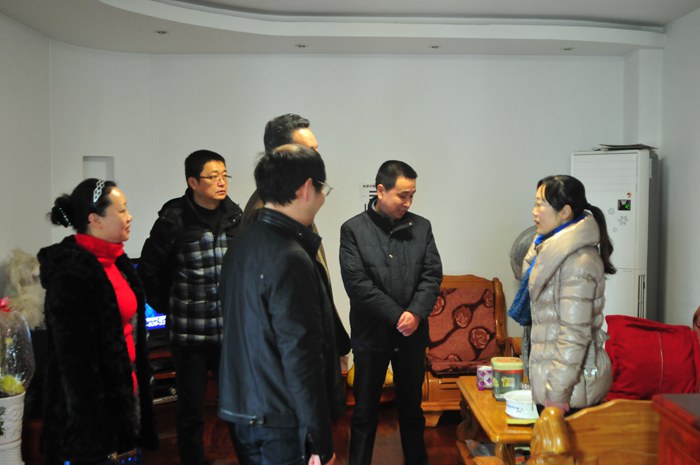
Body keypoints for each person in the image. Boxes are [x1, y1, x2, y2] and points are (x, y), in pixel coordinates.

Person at [218, 144, 344, 465]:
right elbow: (301, 355)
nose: (322, 198)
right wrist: (320, 441)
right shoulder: (290, 255)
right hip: (281, 419)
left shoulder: (242, 244)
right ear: (306, 188)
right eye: (322, 189)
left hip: (244, 408)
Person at [37, 178, 157, 465]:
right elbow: (75, 365)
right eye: (121, 210)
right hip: (93, 425)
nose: (129, 217)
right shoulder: (71, 272)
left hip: (126, 405)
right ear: (95, 220)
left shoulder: (119, 262)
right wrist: (97, 434)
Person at [138, 150, 242, 465]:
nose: (222, 182)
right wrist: (170, 306)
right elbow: (148, 271)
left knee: (238, 406)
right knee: (190, 410)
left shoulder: (236, 217)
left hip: (229, 334)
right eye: (213, 177)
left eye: (224, 175)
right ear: (193, 182)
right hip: (188, 336)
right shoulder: (173, 221)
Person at [339, 160, 442, 465]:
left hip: (412, 334)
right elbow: (357, 285)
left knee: (412, 409)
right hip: (371, 335)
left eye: (412, 196)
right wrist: (399, 316)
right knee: (364, 411)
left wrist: (416, 313)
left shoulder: (422, 227)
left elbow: (432, 275)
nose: (408, 203)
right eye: (402, 195)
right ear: (381, 190)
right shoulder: (353, 229)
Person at [241, 113, 351, 357]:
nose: (317, 158)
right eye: (309, 151)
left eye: (316, 150)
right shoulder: (264, 215)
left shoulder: (290, 207)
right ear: (282, 156)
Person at [522, 175, 615, 414]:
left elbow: (574, 333)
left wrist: (557, 392)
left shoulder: (578, 262)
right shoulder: (548, 250)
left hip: (571, 390)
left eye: (540, 204)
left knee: (561, 441)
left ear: (565, 212)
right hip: (555, 381)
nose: (534, 212)